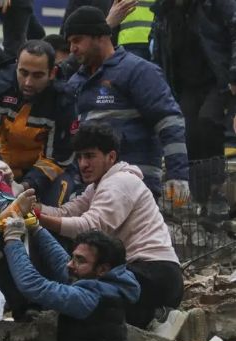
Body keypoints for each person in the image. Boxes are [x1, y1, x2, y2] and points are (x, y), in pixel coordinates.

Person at [33, 122, 184, 329]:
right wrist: (30, 207)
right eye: (79, 157)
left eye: (90, 156)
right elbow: (66, 212)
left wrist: (38, 219)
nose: (83, 164)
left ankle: (156, 318)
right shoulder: (98, 186)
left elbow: (91, 227)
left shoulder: (119, 183)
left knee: (89, 296)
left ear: (111, 157)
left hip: (154, 274)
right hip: (144, 273)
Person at [64, 6, 190, 202]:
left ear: (101, 36)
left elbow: (169, 121)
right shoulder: (75, 83)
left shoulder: (138, 71)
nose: (72, 48)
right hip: (91, 192)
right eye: (70, 42)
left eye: (77, 40)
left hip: (136, 187)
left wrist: (178, 175)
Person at [3, 219, 140, 341]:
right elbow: (62, 263)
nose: (70, 264)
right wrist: (37, 228)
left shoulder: (89, 298)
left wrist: (12, 239)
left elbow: (34, 285)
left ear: (103, 269)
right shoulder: (110, 283)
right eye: (73, 257)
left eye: (79, 260)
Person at [0, 39, 79, 207]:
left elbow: (58, 158)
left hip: (44, 173)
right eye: (23, 73)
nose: (28, 82)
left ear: (52, 73)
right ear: (16, 66)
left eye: (37, 75)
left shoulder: (63, 102)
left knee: (54, 204)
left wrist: (24, 186)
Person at [152, 0, 236, 211]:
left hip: (219, 79)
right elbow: (159, 51)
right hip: (186, 85)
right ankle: (201, 199)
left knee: (208, 123)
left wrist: (233, 76)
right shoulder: (164, 11)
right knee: (188, 133)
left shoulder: (216, 5)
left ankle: (216, 196)